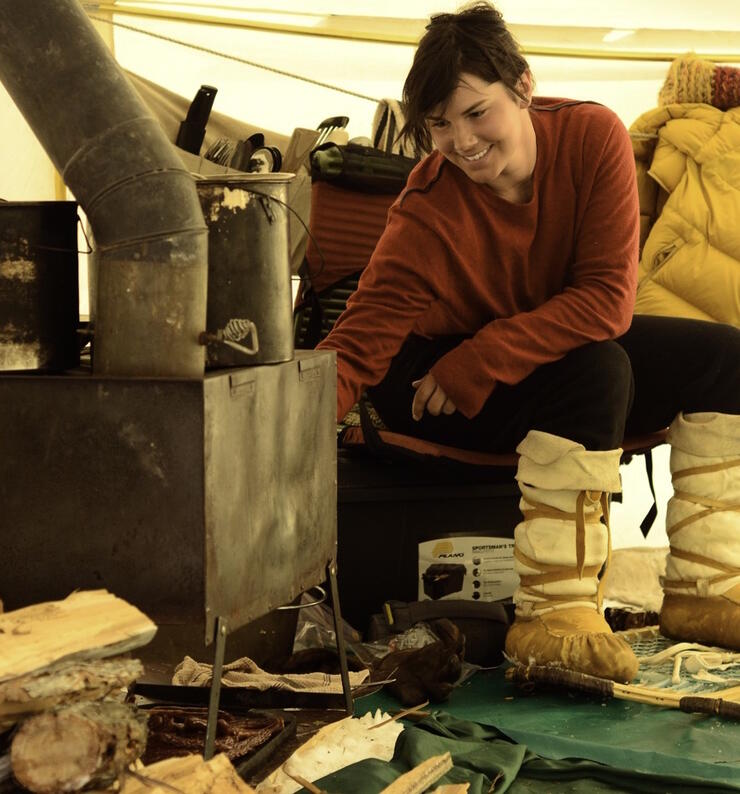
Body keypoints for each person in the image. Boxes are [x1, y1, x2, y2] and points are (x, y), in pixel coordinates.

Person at [317, 2, 740, 683]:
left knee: (726, 356)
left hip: (503, 362)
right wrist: (271, 437)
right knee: (599, 368)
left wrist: (484, 358)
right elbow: (358, 345)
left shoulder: (593, 136)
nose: (461, 140)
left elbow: (607, 298)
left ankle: (706, 588)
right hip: (434, 386)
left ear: (522, 86)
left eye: (476, 112)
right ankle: (554, 616)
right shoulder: (425, 211)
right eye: (439, 125)